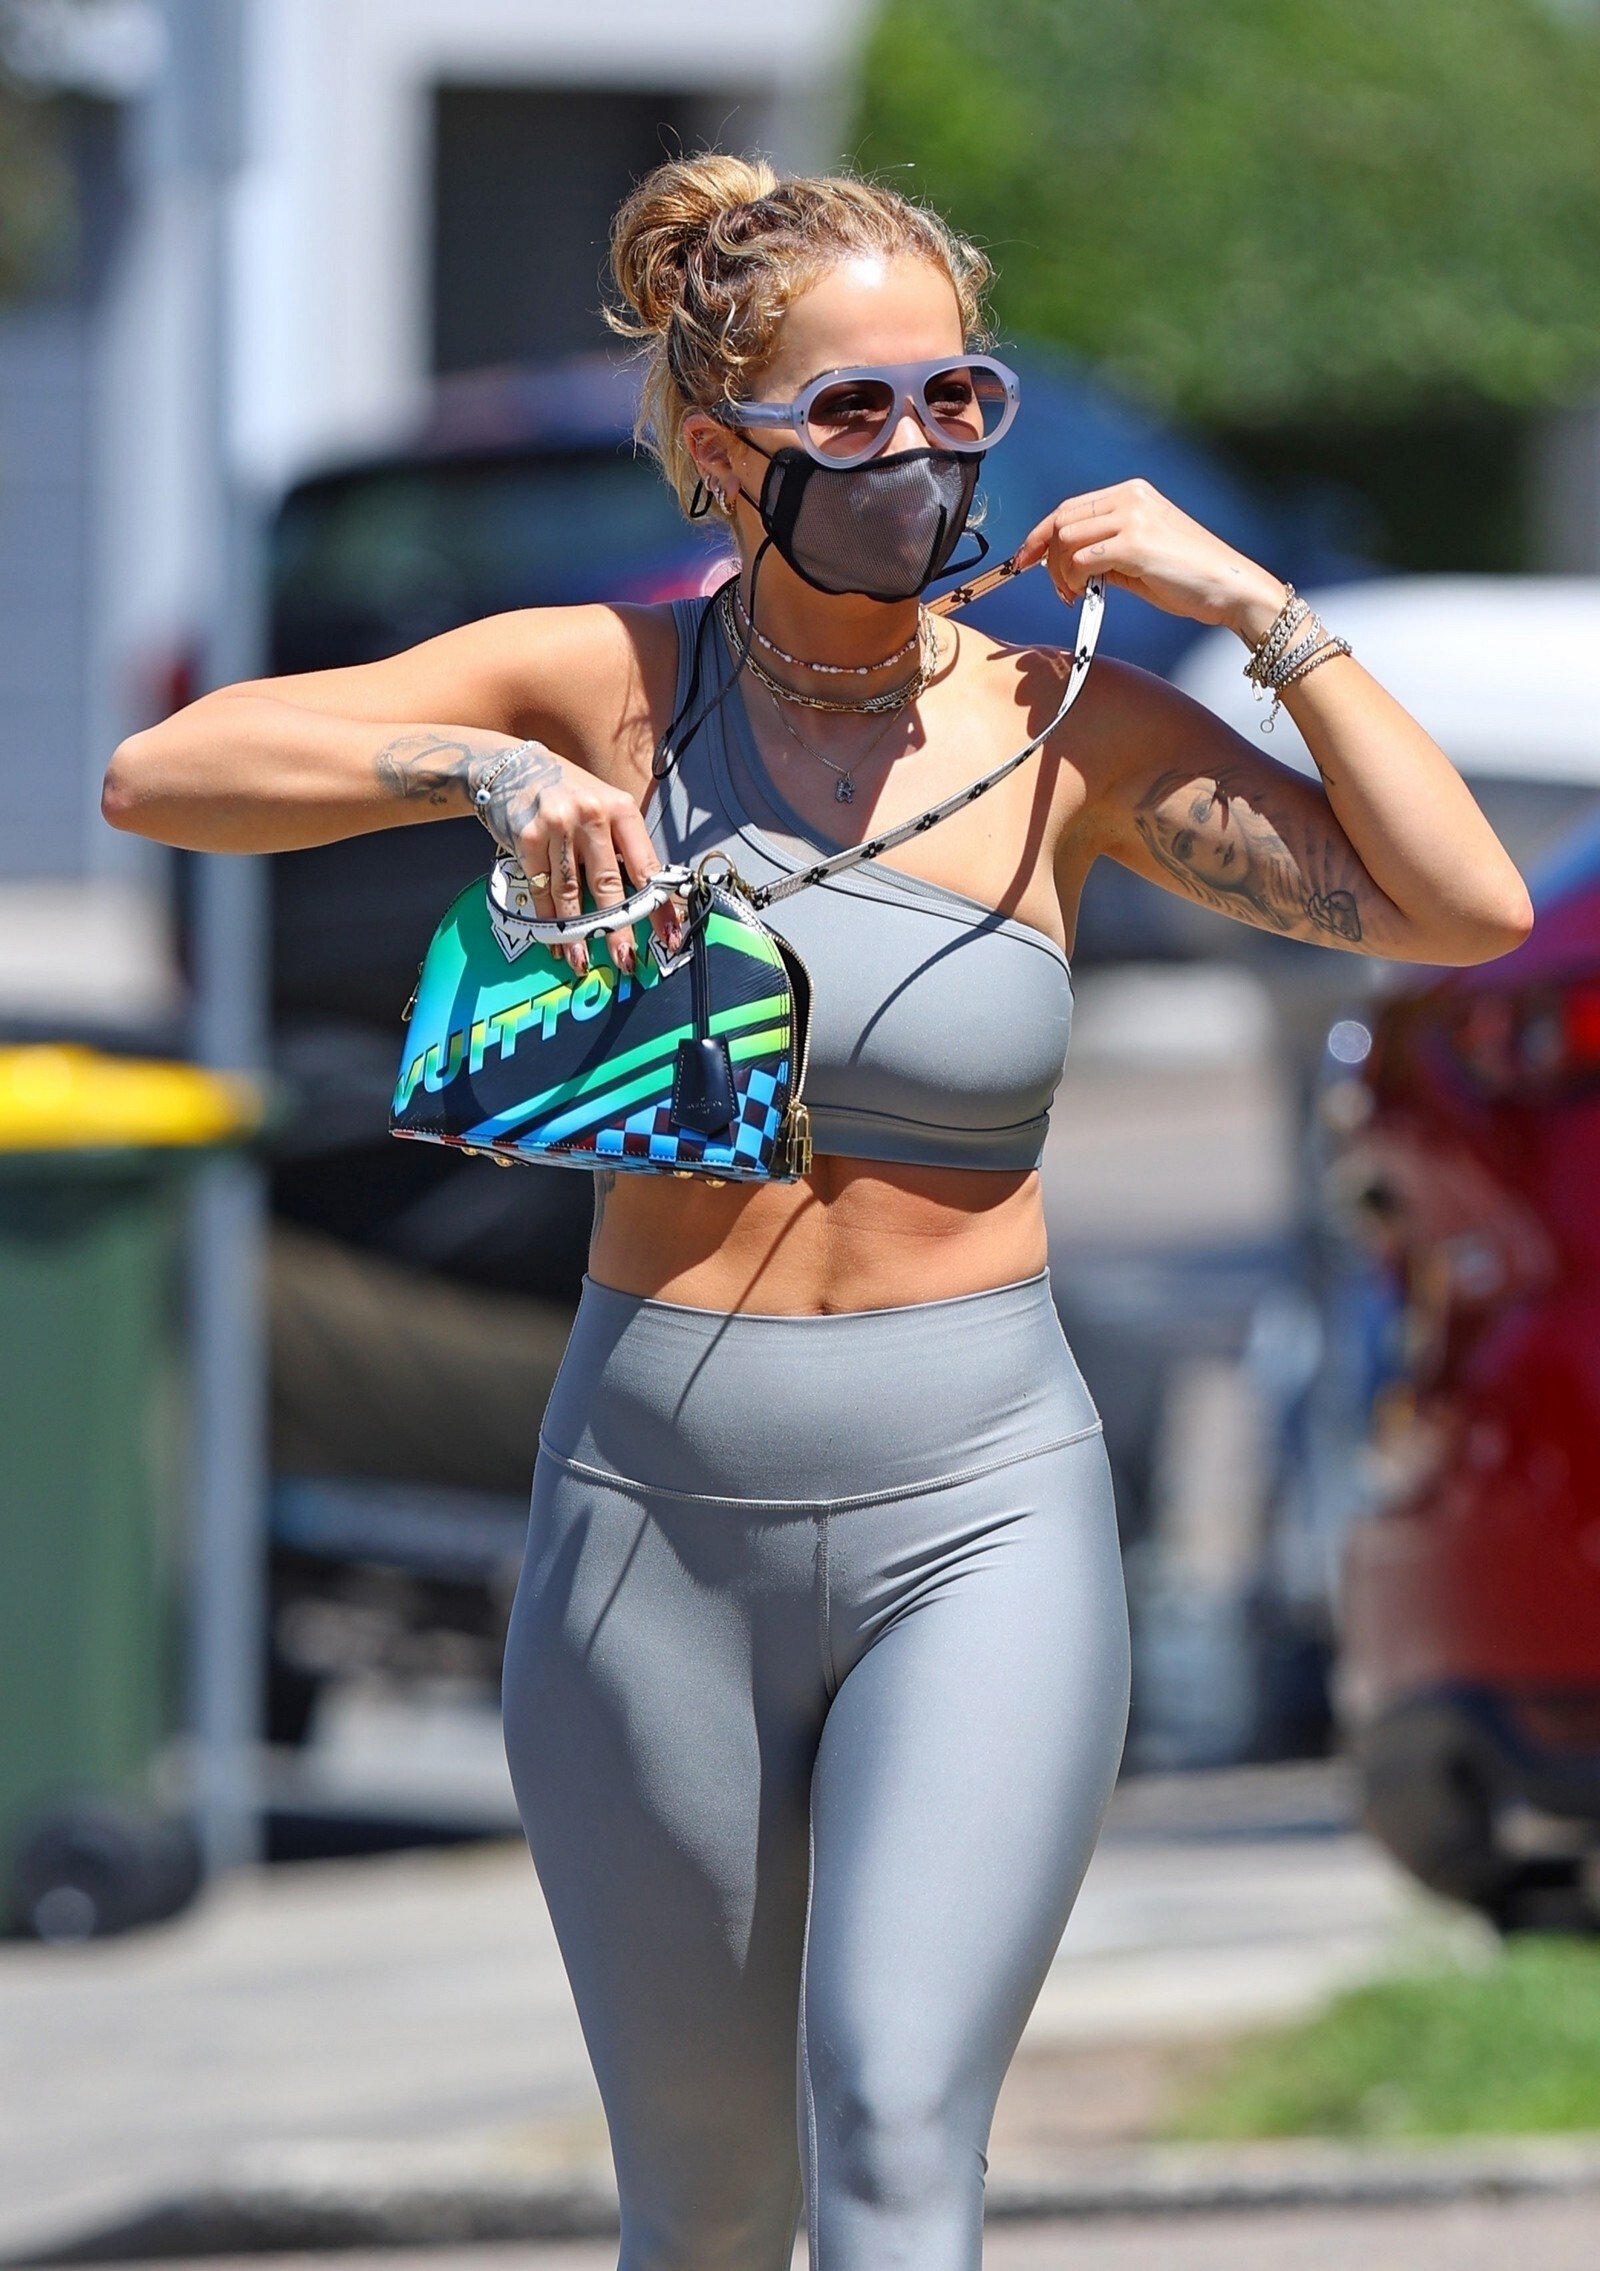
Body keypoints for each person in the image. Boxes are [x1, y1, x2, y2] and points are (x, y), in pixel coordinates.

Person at [103, 153, 1532, 2271]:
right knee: (707, 2205)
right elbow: (165, 772)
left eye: (956, 398)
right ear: (718, 449)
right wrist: (478, 769)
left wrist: (1256, 609)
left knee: (890, 2126)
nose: (915, 453)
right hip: (649, 1516)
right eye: (849, 411)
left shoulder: (1063, 727)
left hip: (980, 1505)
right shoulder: (609, 679)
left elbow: (1459, 904)